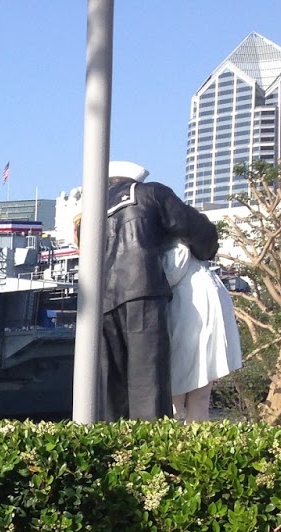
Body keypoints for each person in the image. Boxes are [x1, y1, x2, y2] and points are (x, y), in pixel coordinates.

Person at [99, 161, 220, 421]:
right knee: (148, 384)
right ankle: (149, 451)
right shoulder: (150, 193)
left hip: (101, 302)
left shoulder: (90, 209)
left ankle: (112, 449)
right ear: (134, 180)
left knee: (110, 388)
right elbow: (201, 234)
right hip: (143, 290)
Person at [163, 242, 242, 422]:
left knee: (176, 393)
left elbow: (171, 271)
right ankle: (195, 443)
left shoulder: (175, 240)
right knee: (198, 396)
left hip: (191, 306)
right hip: (203, 301)